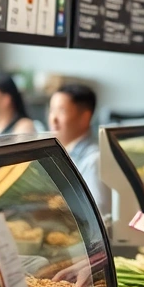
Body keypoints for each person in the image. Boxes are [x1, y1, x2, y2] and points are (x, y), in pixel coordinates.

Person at [48, 84, 111, 225]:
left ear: (85, 118)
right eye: (52, 110)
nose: (53, 119)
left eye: (61, 111)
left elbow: (99, 219)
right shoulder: (63, 152)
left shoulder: (94, 161)